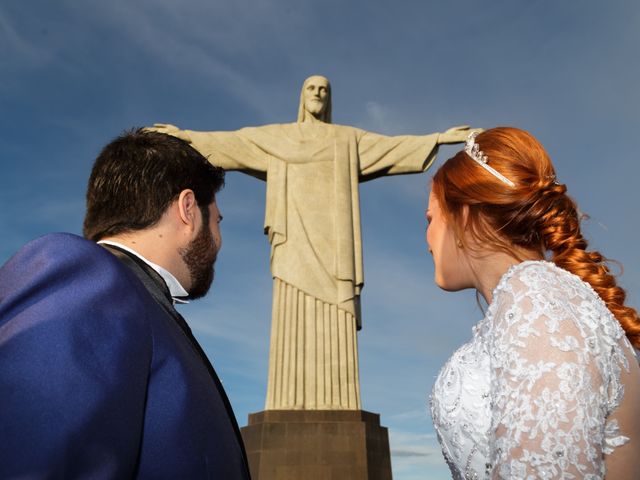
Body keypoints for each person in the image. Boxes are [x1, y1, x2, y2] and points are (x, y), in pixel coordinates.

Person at [150, 75, 477, 411]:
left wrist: (437, 139)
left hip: (335, 247)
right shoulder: (280, 137)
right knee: (292, 313)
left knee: (335, 317)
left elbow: (389, 147)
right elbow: (233, 144)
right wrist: (184, 139)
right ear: (302, 97)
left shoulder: (344, 140)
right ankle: (287, 401)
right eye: (312, 88)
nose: (318, 94)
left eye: (324, 89)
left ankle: (339, 402)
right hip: (293, 243)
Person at [0, 129, 250, 479]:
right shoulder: (83, 278)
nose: (219, 239)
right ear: (188, 209)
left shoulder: (141, 303)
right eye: (218, 221)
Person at [426, 127, 640, 479]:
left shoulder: (534, 293)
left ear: (463, 214)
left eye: (430, 219)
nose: (428, 239)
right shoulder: (539, 297)